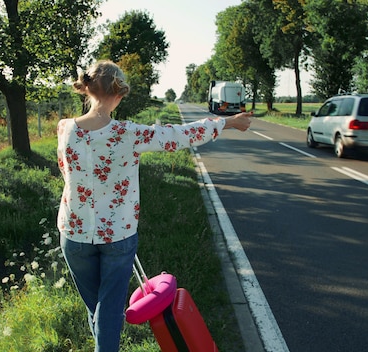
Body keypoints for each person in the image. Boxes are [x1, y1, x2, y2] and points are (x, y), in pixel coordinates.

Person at [56, 60, 251, 351]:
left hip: (74, 231)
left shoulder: (64, 128)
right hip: (118, 235)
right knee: (108, 310)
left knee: (96, 307)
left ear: (87, 90)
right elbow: (180, 135)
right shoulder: (128, 132)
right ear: (119, 93)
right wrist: (228, 122)